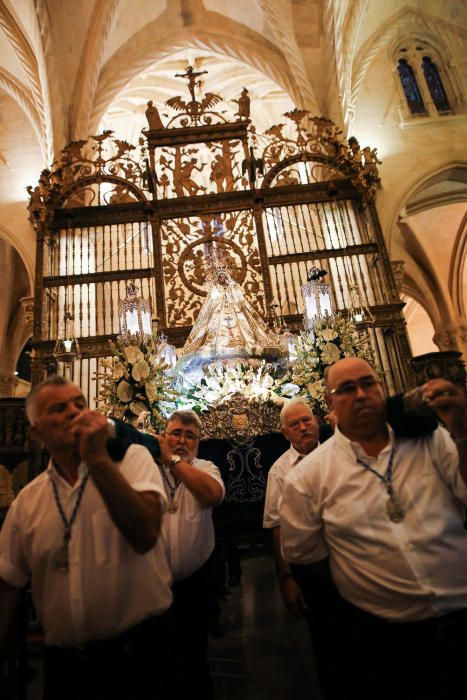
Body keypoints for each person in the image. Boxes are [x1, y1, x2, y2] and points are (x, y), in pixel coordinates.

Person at [280, 358, 467, 700]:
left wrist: (461, 430)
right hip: (384, 635)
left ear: (382, 389)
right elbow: (305, 554)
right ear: (330, 402)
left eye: (369, 384)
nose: (361, 395)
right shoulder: (308, 477)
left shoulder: (433, 439)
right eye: (347, 389)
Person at [0, 375, 173, 700]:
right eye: (59, 408)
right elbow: (7, 584)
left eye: (80, 404)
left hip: (140, 656)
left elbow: (145, 534)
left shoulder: (132, 461)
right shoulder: (28, 501)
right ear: (36, 433)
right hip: (67, 670)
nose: (74, 412)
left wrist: (96, 460)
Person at [154, 410, 225, 700]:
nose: (182, 440)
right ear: (164, 436)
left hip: (195, 584)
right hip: (153, 585)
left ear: (198, 442)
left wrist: (171, 460)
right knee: (158, 662)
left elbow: (211, 495)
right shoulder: (148, 469)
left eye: (189, 436)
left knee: (195, 658)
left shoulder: (205, 468)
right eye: (176, 434)